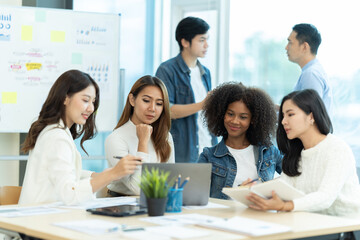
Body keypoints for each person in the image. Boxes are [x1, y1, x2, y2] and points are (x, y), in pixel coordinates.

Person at [19, 70, 141, 205]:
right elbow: (70, 195)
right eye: (85, 100)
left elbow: (60, 170)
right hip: (39, 219)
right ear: (65, 98)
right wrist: (111, 174)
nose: (91, 108)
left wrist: (94, 176)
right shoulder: (57, 137)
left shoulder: (53, 130)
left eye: (93, 102)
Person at [247, 89, 360, 218]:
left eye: (290, 114)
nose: (283, 121)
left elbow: (325, 197)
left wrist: (286, 206)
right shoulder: (296, 154)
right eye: (283, 116)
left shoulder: (337, 149)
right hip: (310, 223)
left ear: (311, 117)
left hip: (345, 228)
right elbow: (283, 189)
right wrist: (255, 190)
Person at [198, 82, 282, 199]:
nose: (235, 121)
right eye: (230, 114)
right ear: (222, 114)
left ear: (253, 119)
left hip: (262, 216)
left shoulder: (269, 152)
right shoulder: (209, 156)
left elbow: (294, 178)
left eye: (243, 117)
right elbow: (197, 200)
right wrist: (237, 193)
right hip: (225, 216)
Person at [155, 16, 217, 163]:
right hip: (183, 153)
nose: (206, 45)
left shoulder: (205, 72)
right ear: (184, 42)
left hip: (208, 147)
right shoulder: (167, 70)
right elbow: (166, 110)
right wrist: (203, 104)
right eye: (201, 40)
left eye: (207, 39)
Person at [105, 75, 175, 196]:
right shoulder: (116, 138)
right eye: (146, 101)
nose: (152, 108)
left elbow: (170, 181)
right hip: (121, 205)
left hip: (157, 202)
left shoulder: (165, 136)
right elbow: (138, 189)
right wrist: (142, 142)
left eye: (159, 103)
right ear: (132, 100)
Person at [286, 23, 333, 115]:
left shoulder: (311, 74)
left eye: (290, 42)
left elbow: (309, 113)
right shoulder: (311, 71)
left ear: (304, 47)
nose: (286, 47)